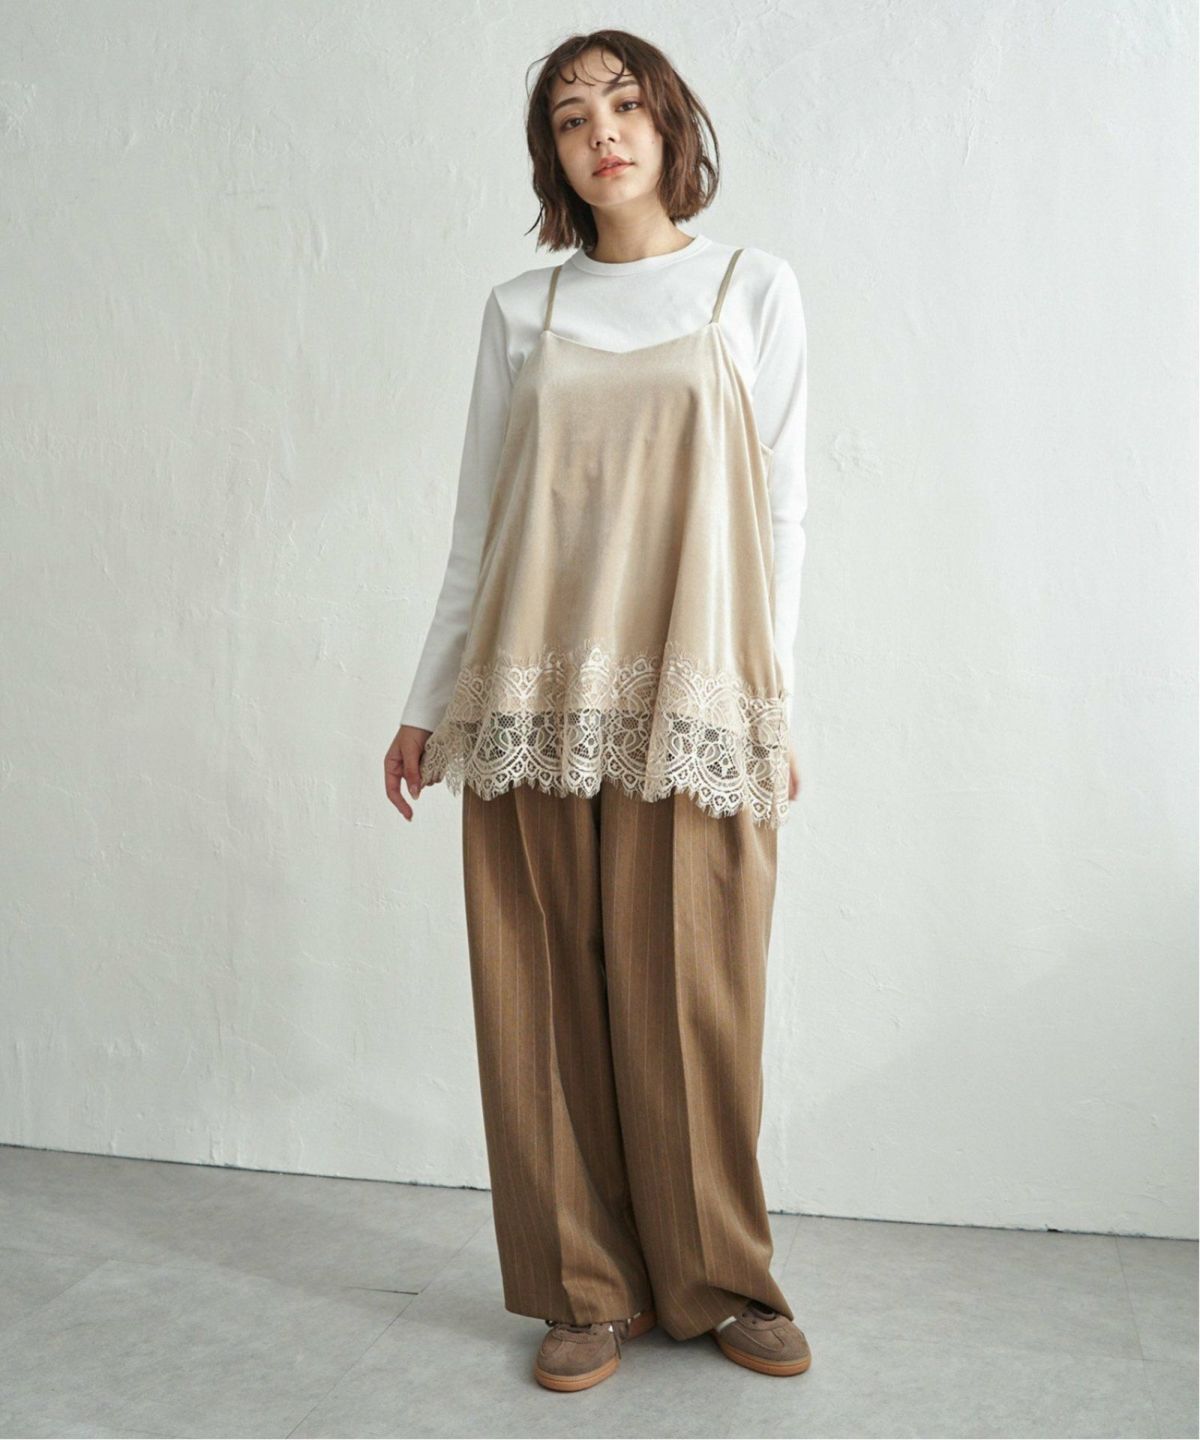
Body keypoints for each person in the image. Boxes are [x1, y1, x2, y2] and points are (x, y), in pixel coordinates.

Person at [384, 28, 812, 1392]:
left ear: (670, 123)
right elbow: (477, 528)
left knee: (699, 993)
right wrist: (424, 702)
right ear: (552, 157)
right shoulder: (524, 310)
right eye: (571, 119)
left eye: (624, 105)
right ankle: (584, 1290)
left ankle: (722, 1279)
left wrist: (771, 705)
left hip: (693, 694)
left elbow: (786, 515)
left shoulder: (751, 288)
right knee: (540, 995)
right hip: (528, 690)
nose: (602, 133)